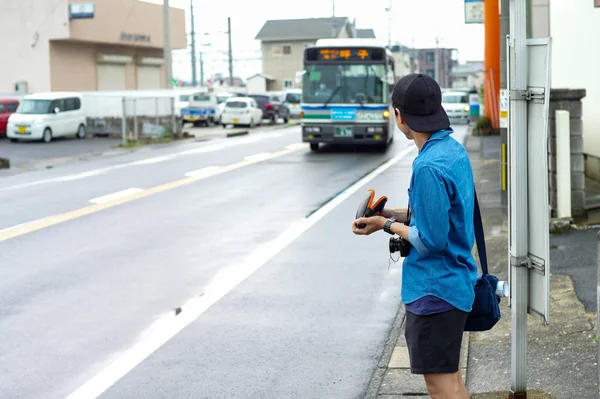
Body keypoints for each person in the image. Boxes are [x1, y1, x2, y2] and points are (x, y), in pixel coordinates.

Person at [352, 73, 477, 399]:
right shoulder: (452, 151)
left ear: (400, 116)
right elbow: (445, 215)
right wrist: (391, 214)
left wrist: (384, 226)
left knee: (441, 387)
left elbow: (431, 240)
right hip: (456, 283)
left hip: (435, 291)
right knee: (452, 380)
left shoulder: (427, 167)